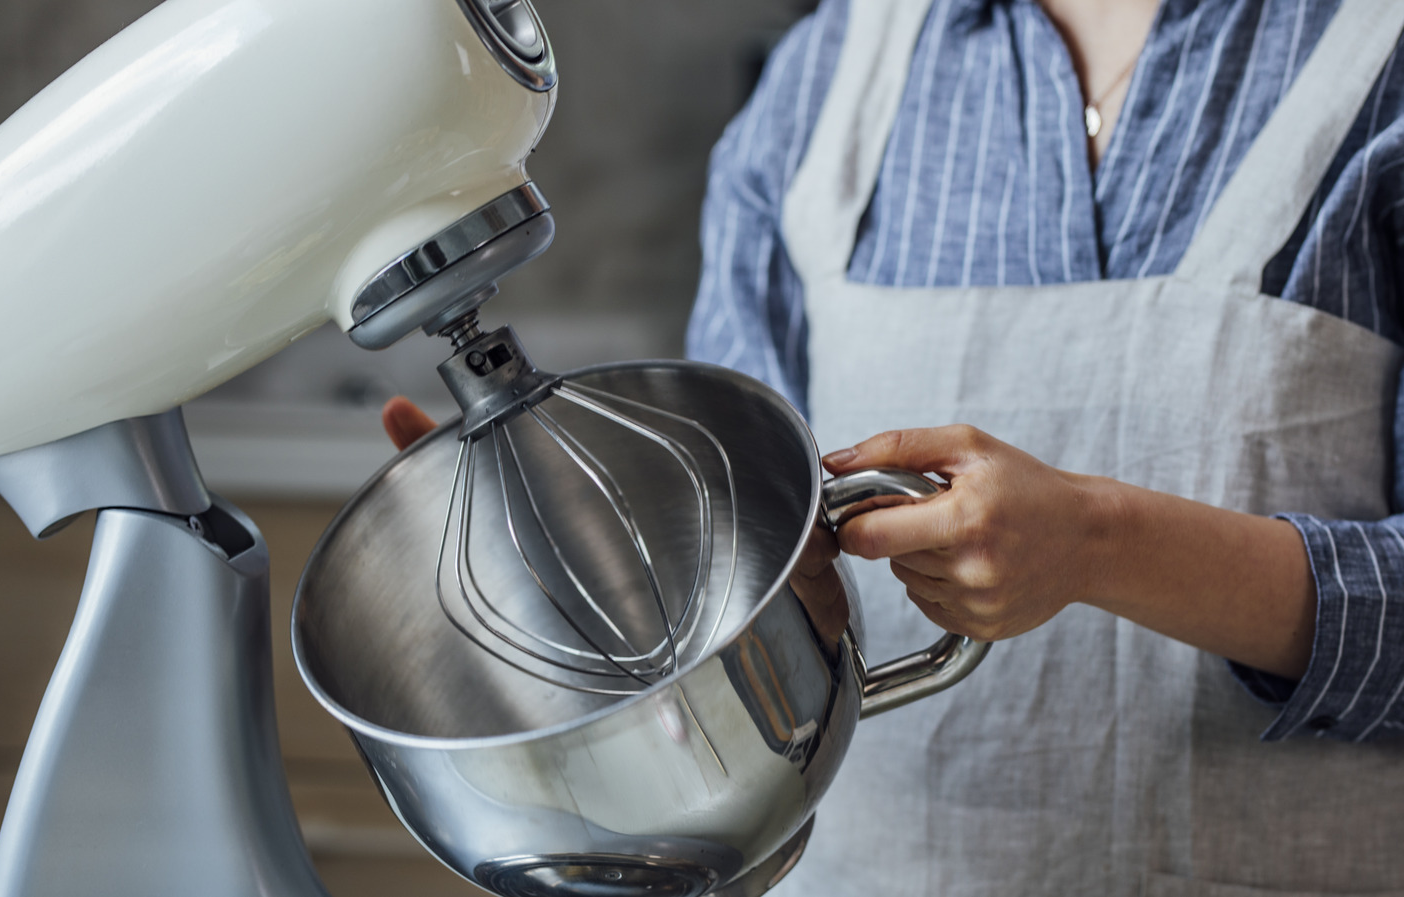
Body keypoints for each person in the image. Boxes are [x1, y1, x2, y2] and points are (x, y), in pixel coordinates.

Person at [387, 0, 1404, 892]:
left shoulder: (1379, 57)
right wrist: (564, 550)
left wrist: (1100, 543)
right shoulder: (824, 78)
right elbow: (742, 555)